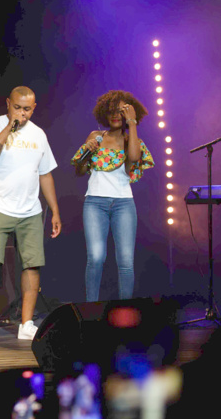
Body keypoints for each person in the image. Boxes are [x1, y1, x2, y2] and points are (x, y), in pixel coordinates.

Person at [0, 86, 61, 342]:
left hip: (30, 209)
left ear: (33, 109)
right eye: (17, 107)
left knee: (32, 264)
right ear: (8, 104)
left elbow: (45, 173)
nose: (21, 113)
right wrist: (9, 127)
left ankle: (26, 323)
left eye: (26, 109)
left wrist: (55, 210)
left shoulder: (39, 134)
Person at [71, 90, 154, 302]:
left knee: (125, 261)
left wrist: (133, 123)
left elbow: (134, 159)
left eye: (120, 111)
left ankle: (124, 311)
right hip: (94, 203)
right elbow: (79, 171)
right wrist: (87, 151)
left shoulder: (130, 140)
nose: (115, 116)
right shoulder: (95, 137)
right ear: (103, 114)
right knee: (96, 257)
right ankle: (90, 310)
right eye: (110, 112)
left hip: (123, 204)